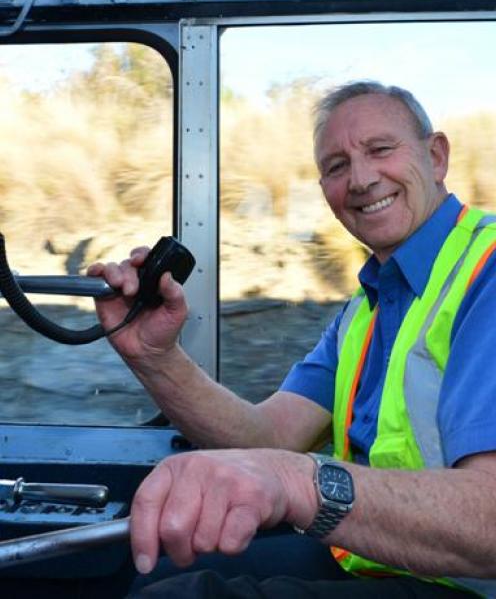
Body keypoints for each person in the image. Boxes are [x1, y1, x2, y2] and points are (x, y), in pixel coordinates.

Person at [89, 81, 496, 598]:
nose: (362, 179)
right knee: (160, 569)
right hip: (384, 558)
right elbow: (267, 437)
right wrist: (154, 356)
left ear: (435, 156)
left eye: (380, 149)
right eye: (336, 166)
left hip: (470, 580)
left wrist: (298, 481)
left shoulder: (487, 273)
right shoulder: (369, 306)